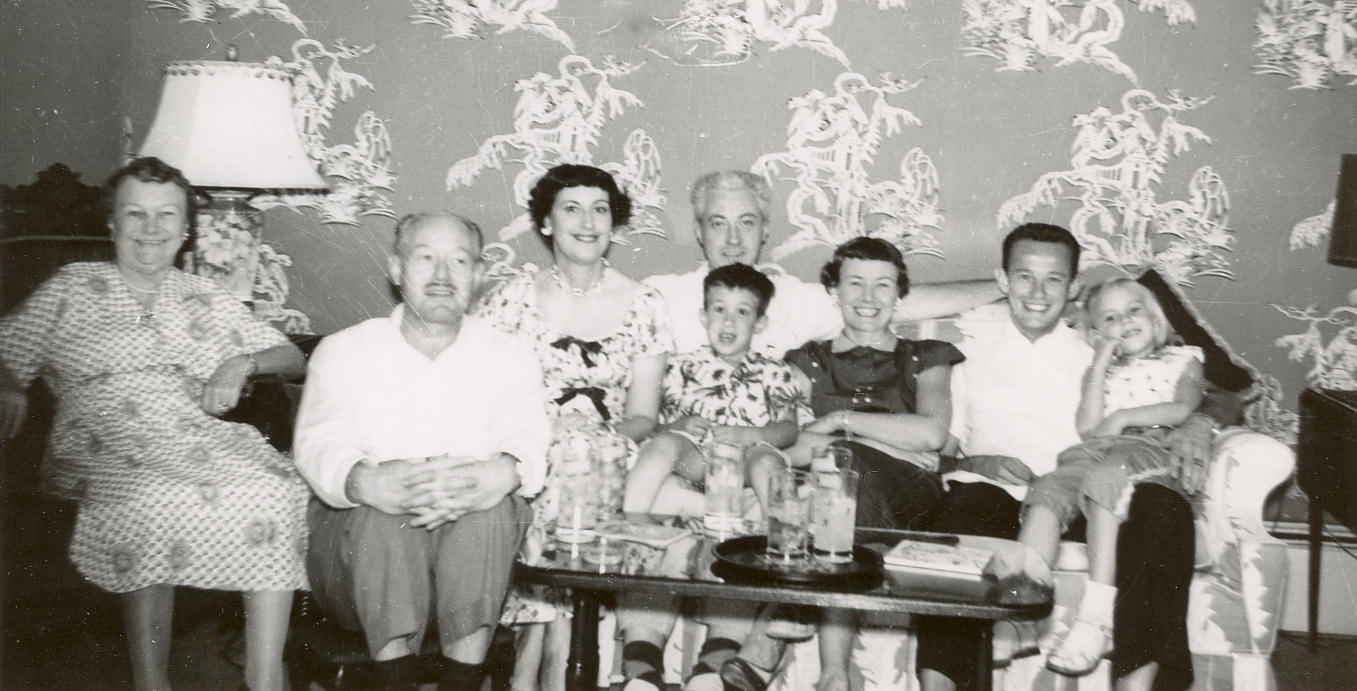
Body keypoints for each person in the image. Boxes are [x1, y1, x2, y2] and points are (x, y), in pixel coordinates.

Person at [623, 170, 996, 691]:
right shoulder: (659, 296)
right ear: (698, 231)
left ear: (766, 230)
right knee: (671, 497)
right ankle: (640, 668)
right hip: (680, 458)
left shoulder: (792, 299)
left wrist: (1010, 286)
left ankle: (718, 664)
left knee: (766, 510)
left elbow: (884, 304)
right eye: (718, 223)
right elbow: (637, 411)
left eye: (747, 223)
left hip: (754, 468)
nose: (733, 239)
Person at [0, 156, 309, 691]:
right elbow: (10, 342)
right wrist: (10, 382)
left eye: (166, 215)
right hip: (102, 428)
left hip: (190, 428)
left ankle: (264, 679)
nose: (150, 229)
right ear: (112, 224)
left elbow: (291, 355)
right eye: (134, 214)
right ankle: (152, 682)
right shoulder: (74, 284)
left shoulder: (204, 296)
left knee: (275, 486)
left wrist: (241, 362)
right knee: (152, 492)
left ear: (186, 229)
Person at [919, 222, 1216, 691]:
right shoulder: (966, 352)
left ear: (1074, 286)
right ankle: (943, 687)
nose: (1037, 292)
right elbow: (940, 453)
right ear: (1002, 280)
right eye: (1024, 277)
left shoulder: (1104, 342)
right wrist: (976, 464)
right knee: (958, 520)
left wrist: (1198, 424)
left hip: (1087, 490)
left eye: (1054, 279)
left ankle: (1139, 683)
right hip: (994, 491)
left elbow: (1193, 379)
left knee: (1164, 509)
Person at [293, 211, 551, 691]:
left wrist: (505, 471)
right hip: (358, 572)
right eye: (424, 257)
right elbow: (318, 442)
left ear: (477, 275)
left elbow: (528, 435)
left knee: (493, 509)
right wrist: (365, 482)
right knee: (384, 514)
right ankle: (396, 681)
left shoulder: (508, 354)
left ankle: (461, 683)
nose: (441, 275)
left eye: (458, 260)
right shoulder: (345, 350)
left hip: (473, 567)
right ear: (396, 269)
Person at [475, 163, 671, 691]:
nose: (588, 222)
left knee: (577, 466)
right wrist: (547, 437)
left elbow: (644, 416)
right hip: (528, 446)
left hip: (611, 450)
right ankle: (556, 652)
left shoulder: (645, 303)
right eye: (571, 208)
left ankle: (537, 657)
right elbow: (483, 397)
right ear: (545, 223)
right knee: (558, 468)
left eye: (600, 209)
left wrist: (594, 439)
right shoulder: (511, 299)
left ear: (615, 223)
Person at [1006, 277, 1203, 675]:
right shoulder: (1099, 370)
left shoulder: (1183, 359)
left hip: (1148, 446)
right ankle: (1023, 607)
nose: (1124, 322)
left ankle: (1095, 618)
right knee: (1045, 491)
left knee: (1105, 478)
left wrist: (1125, 417)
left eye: (1134, 311)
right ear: (1097, 332)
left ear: (1155, 317)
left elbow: (1183, 409)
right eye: (1109, 318)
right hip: (1095, 450)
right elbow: (1088, 427)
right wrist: (1098, 364)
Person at [622, 263, 804, 516]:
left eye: (742, 311)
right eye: (719, 309)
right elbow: (653, 426)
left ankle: (782, 532)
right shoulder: (680, 366)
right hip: (696, 459)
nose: (728, 321)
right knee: (663, 443)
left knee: (768, 463)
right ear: (704, 317)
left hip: (748, 459)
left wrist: (752, 434)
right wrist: (679, 427)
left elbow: (789, 430)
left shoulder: (774, 371)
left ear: (760, 323)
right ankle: (631, 517)